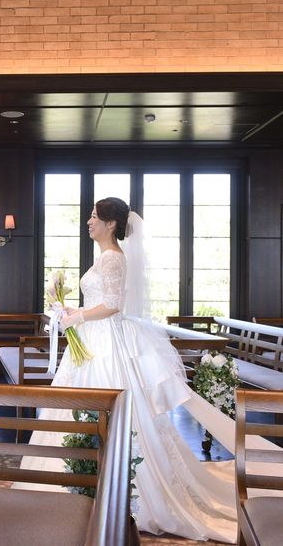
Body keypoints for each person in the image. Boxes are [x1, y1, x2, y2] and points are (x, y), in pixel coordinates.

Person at [18, 197, 239, 542]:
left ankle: (109, 490)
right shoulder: (105, 257)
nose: (89, 221)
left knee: (106, 409)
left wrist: (77, 316)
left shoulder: (112, 257)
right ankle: (75, 483)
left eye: (94, 216)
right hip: (94, 338)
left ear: (111, 224)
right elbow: (99, 303)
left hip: (105, 344)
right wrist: (69, 311)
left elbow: (113, 305)